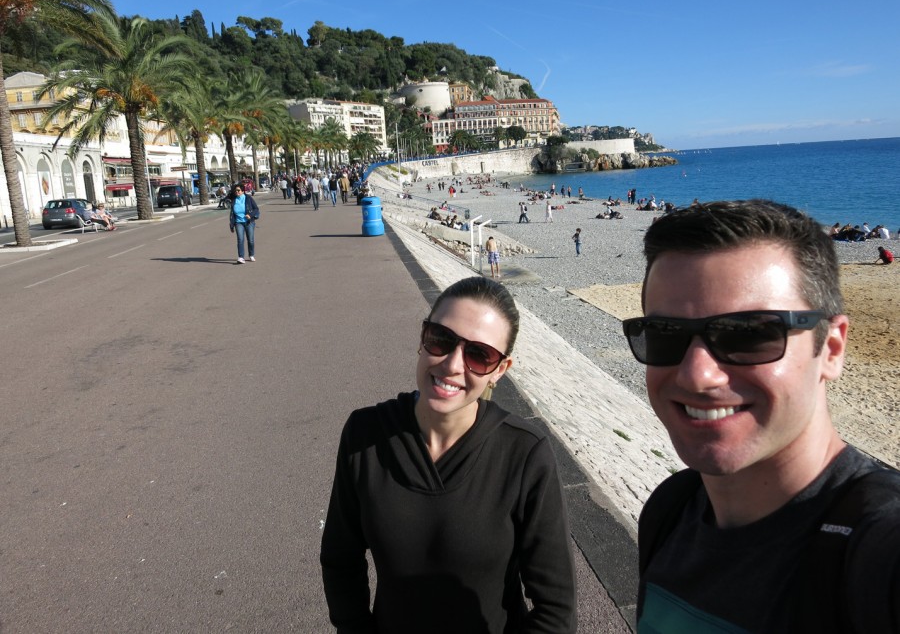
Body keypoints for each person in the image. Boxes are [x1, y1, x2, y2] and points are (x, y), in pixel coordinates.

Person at [623, 199, 900, 632]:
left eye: (750, 334)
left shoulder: (877, 549)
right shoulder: (670, 510)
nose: (698, 375)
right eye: (664, 335)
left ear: (830, 349)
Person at [321, 277, 576, 633]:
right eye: (441, 340)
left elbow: (556, 607)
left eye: (480, 355)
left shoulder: (524, 453)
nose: (454, 364)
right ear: (423, 339)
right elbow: (340, 559)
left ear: (499, 371)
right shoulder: (365, 435)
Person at [228, 182, 259, 264]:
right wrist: (231, 225)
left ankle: (251, 255)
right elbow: (232, 214)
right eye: (236, 191)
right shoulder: (234, 200)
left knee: (251, 240)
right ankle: (241, 257)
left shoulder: (248, 198)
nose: (237, 192)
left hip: (249, 222)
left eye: (238, 190)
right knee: (240, 239)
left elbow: (256, 209)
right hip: (238, 223)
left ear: (242, 191)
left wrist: (250, 215)